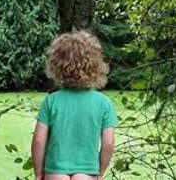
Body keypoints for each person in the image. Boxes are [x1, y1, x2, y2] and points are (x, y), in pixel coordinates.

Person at [31, 31, 117, 180]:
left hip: (56, 171)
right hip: (87, 173)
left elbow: (38, 140)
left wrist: (39, 173)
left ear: (57, 65)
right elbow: (108, 144)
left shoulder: (51, 101)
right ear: (96, 65)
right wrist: (100, 172)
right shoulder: (104, 103)